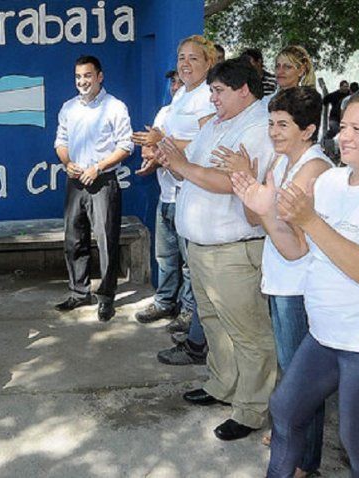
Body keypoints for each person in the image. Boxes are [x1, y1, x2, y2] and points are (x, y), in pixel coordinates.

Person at [232, 88, 359, 477]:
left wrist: (310, 220)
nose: (344, 137)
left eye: (357, 129)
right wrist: (267, 213)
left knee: (358, 439)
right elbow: (296, 251)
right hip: (327, 334)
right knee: (286, 409)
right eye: (343, 126)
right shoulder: (332, 183)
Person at [157, 58, 277, 441]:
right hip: (203, 247)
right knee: (213, 323)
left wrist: (182, 166)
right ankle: (223, 386)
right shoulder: (219, 123)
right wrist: (169, 161)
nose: (212, 98)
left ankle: (252, 408)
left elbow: (235, 183)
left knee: (247, 332)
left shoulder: (259, 126)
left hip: (232, 249)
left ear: (244, 89)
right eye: (211, 91)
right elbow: (191, 168)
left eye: (218, 91)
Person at [218, 87, 332, 476]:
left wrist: (260, 200)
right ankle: (291, 436)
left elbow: (296, 248)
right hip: (280, 283)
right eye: (270, 123)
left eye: (283, 124)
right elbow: (257, 219)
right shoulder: (281, 164)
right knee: (290, 369)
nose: (274, 131)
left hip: (300, 286)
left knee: (304, 379)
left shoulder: (314, 170)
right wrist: (248, 185)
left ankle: (304, 459)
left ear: (308, 129)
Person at [132, 35, 217, 368]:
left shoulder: (209, 98)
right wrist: (153, 152)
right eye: (182, 57)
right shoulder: (182, 94)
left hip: (194, 192)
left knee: (192, 264)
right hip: (171, 191)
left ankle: (193, 323)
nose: (185, 63)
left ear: (209, 63)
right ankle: (175, 311)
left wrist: (161, 141)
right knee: (168, 256)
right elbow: (167, 139)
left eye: (194, 58)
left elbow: (204, 143)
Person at [53, 55, 133, 322]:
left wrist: (97, 167)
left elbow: (126, 146)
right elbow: (60, 141)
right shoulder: (68, 108)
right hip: (75, 181)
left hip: (103, 181)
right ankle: (79, 291)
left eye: (87, 76)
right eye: (78, 77)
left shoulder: (115, 107)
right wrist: (68, 162)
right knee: (73, 239)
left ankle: (106, 297)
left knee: (106, 242)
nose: (82, 82)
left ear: (100, 77)